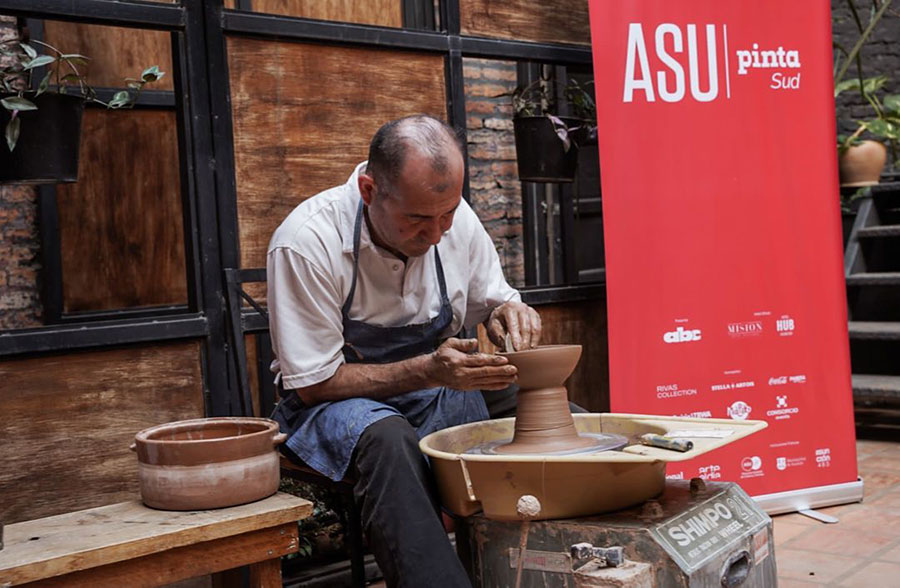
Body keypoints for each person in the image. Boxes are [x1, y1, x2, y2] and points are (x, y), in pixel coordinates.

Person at [267, 114, 542, 587]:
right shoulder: (307, 242)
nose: (436, 234)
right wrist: (431, 371)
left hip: (438, 381)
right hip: (335, 403)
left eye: (447, 215)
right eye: (417, 219)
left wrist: (507, 315)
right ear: (371, 192)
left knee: (541, 404)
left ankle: (544, 569)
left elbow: (492, 300)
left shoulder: (455, 221)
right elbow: (313, 385)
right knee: (388, 438)